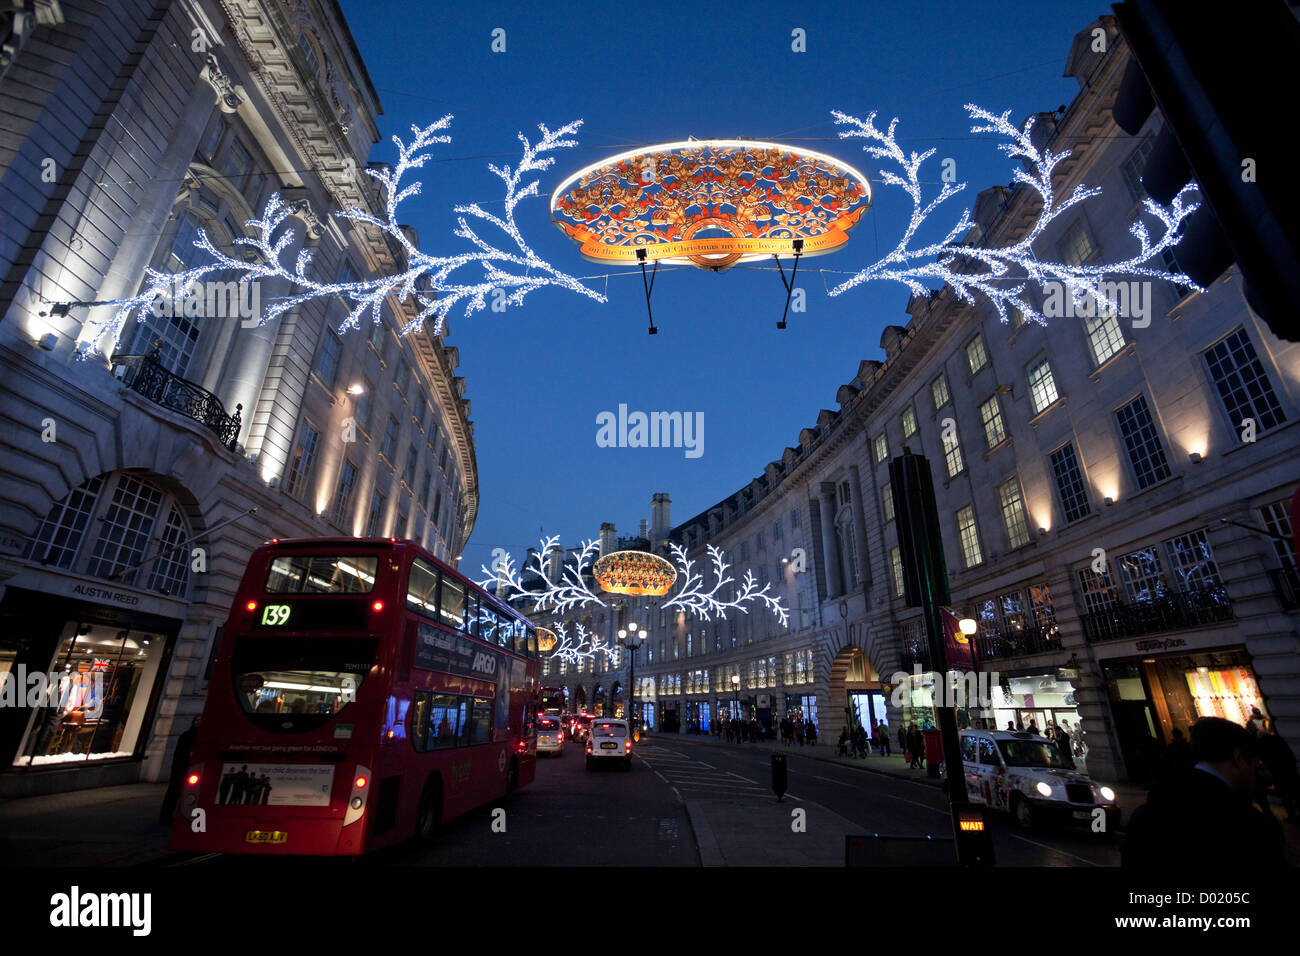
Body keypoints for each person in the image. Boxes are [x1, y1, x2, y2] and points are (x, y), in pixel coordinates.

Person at [1122, 716, 1284, 869]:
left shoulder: (1150, 810)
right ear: (1239, 758)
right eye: (1255, 766)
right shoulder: (1247, 826)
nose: (1256, 775)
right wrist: (1265, 810)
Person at [158, 716, 200, 823]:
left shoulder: (200, 737)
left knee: (183, 793)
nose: (198, 722)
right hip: (181, 767)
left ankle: (177, 814)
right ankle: (166, 815)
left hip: (188, 768)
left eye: (200, 721)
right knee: (175, 792)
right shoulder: (187, 736)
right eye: (197, 720)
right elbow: (180, 754)